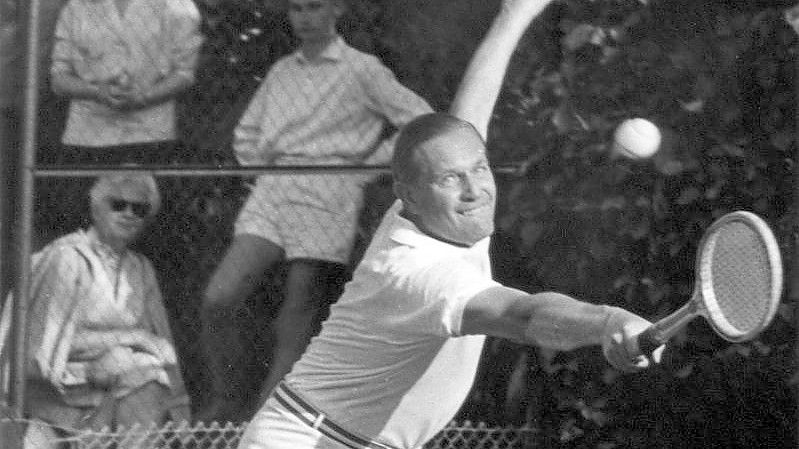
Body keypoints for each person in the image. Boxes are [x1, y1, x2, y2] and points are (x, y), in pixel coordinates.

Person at [237, 0, 663, 448]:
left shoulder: (427, 213)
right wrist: (607, 321)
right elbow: (526, 315)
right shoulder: (421, 275)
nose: (474, 190)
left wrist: (514, 15)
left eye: (479, 169)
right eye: (450, 179)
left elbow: (466, 120)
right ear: (411, 195)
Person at [200, 0, 433, 422]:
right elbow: (248, 132)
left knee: (298, 310)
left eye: (314, 7)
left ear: (336, 11)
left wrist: (365, 168)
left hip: (329, 189)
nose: (304, 18)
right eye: (296, 9)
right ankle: (227, 401)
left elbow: (419, 119)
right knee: (221, 296)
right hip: (275, 188)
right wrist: (259, 172)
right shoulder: (282, 71)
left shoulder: (362, 68)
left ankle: (264, 420)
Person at [0, 173, 190, 448]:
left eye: (139, 209)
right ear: (96, 208)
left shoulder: (141, 268)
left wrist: (125, 352)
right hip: (56, 386)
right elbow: (40, 347)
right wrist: (127, 341)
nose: (129, 214)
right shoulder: (66, 258)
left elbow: (160, 345)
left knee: (150, 372)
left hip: (114, 379)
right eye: (118, 204)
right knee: (140, 368)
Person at [49, 0, 203, 165]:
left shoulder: (178, 7)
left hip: (150, 134)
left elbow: (185, 73)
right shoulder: (76, 8)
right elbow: (59, 79)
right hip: (86, 135)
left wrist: (144, 97)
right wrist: (95, 91)